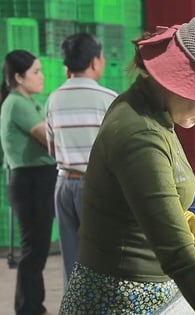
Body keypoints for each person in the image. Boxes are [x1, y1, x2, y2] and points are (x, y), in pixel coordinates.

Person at [58, 14, 195, 314]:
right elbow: (178, 256)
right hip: (120, 299)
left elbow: (132, 194)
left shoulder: (151, 111)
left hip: (142, 289)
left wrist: (180, 216)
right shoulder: (140, 132)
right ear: (187, 83)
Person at [45, 33, 118, 288]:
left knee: (71, 262)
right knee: (102, 259)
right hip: (96, 187)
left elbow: (53, 150)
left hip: (63, 185)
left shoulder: (53, 99)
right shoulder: (108, 99)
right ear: (95, 61)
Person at [1, 50, 56, 315]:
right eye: (36, 71)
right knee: (34, 251)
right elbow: (48, 139)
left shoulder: (25, 101)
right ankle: (29, 308)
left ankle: (34, 306)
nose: (41, 77)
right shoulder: (18, 103)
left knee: (37, 249)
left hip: (37, 181)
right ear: (19, 77)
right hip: (32, 182)